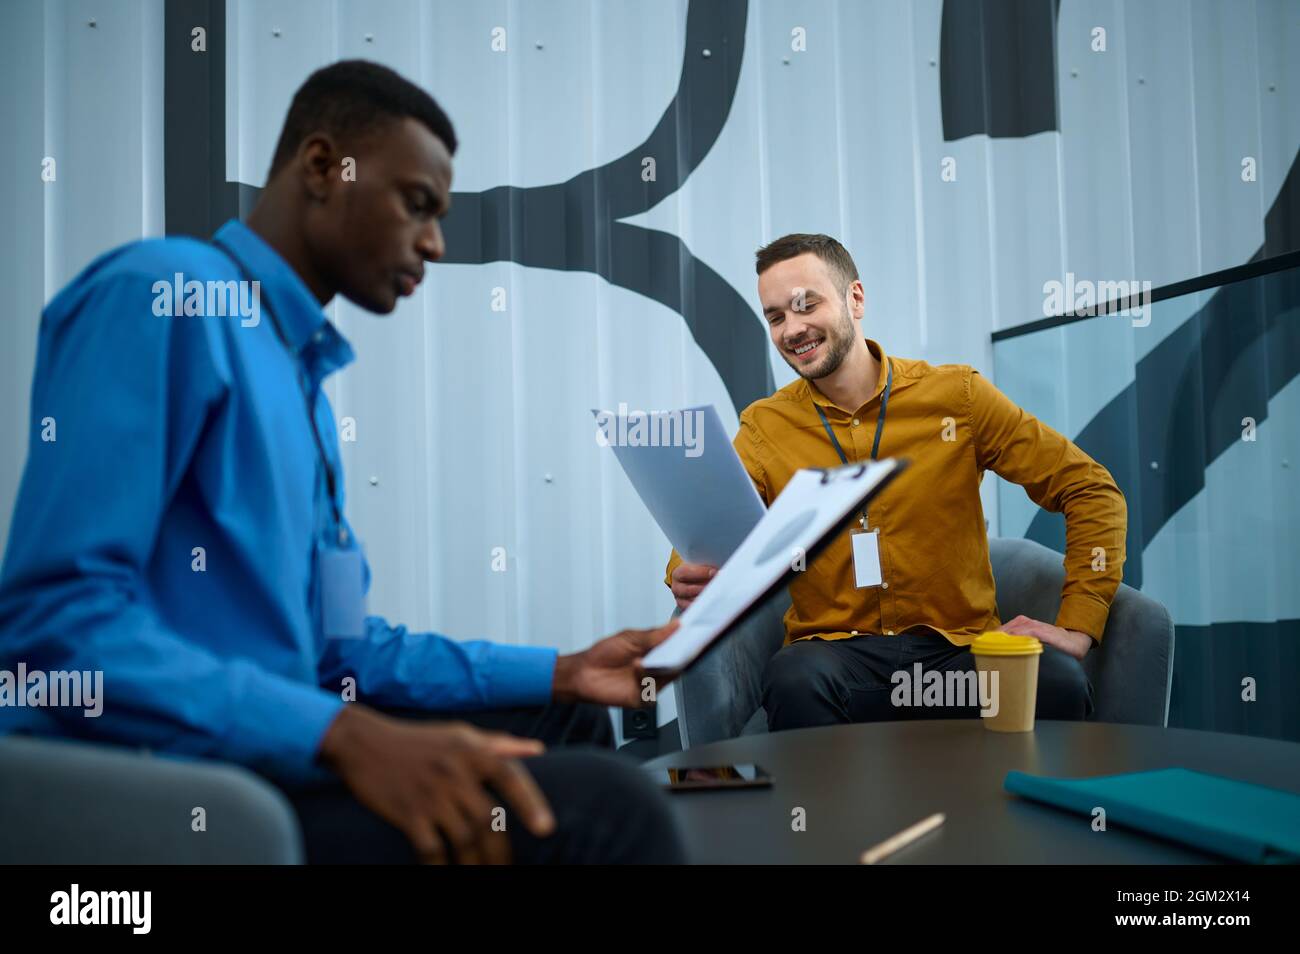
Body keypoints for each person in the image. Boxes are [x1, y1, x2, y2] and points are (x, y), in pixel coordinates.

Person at [0, 60, 684, 865]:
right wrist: (337, 733)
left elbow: (343, 653)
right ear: (323, 167)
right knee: (613, 810)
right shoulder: (162, 294)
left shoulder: (304, 385)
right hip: (165, 789)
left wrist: (564, 671)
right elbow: (52, 629)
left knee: (561, 722)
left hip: (270, 753)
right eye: (417, 204)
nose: (433, 241)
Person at [667, 233, 1127, 731]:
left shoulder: (958, 397)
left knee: (1057, 682)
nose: (792, 329)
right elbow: (708, 532)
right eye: (775, 317)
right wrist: (685, 570)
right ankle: (835, 813)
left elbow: (1089, 488)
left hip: (957, 655)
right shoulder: (765, 427)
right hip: (839, 663)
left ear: (855, 298)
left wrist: (1079, 624)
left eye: (805, 305)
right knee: (794, 680)